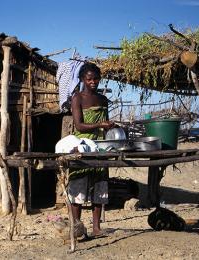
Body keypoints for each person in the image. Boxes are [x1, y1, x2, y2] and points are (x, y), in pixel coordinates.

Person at [68, 62, 114, 237]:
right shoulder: (77, 98)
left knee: (99, 185)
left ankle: (96, 228)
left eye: (96, 78)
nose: (93, 82)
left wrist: (109, 125)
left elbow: (105, 123)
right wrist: (100, 124)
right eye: (89, 79)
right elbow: (79, 126)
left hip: (101, 147)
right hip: (83, 146)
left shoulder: (103, 99)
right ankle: (77, 228)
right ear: (82, 80)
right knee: (78, 185)